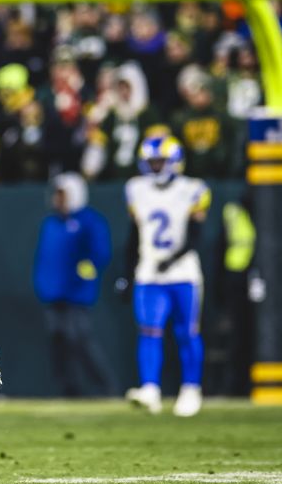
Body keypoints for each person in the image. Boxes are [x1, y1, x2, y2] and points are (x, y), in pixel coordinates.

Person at [118, 135, 210, 417]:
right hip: (149, 272)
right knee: (149, 331)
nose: (156, 167)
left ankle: (191, 389)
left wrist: (172, 259)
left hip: (183, 272)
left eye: (160, 161)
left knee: (187, 332)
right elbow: (134, 235)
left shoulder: (193, 189)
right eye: (151, 162)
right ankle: (150, 390)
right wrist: (127, 272)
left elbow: (196, 236)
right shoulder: (136, 189)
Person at [33, 173, 117, 397]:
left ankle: (105, 387)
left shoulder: (89, 221)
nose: (57, 199)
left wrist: (82, 278)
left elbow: (99, 255)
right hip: (52, 294)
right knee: (58, 344)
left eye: (62, 194)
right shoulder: (51, 222)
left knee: (80, 340)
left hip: (76, 294)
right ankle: (70, 391)